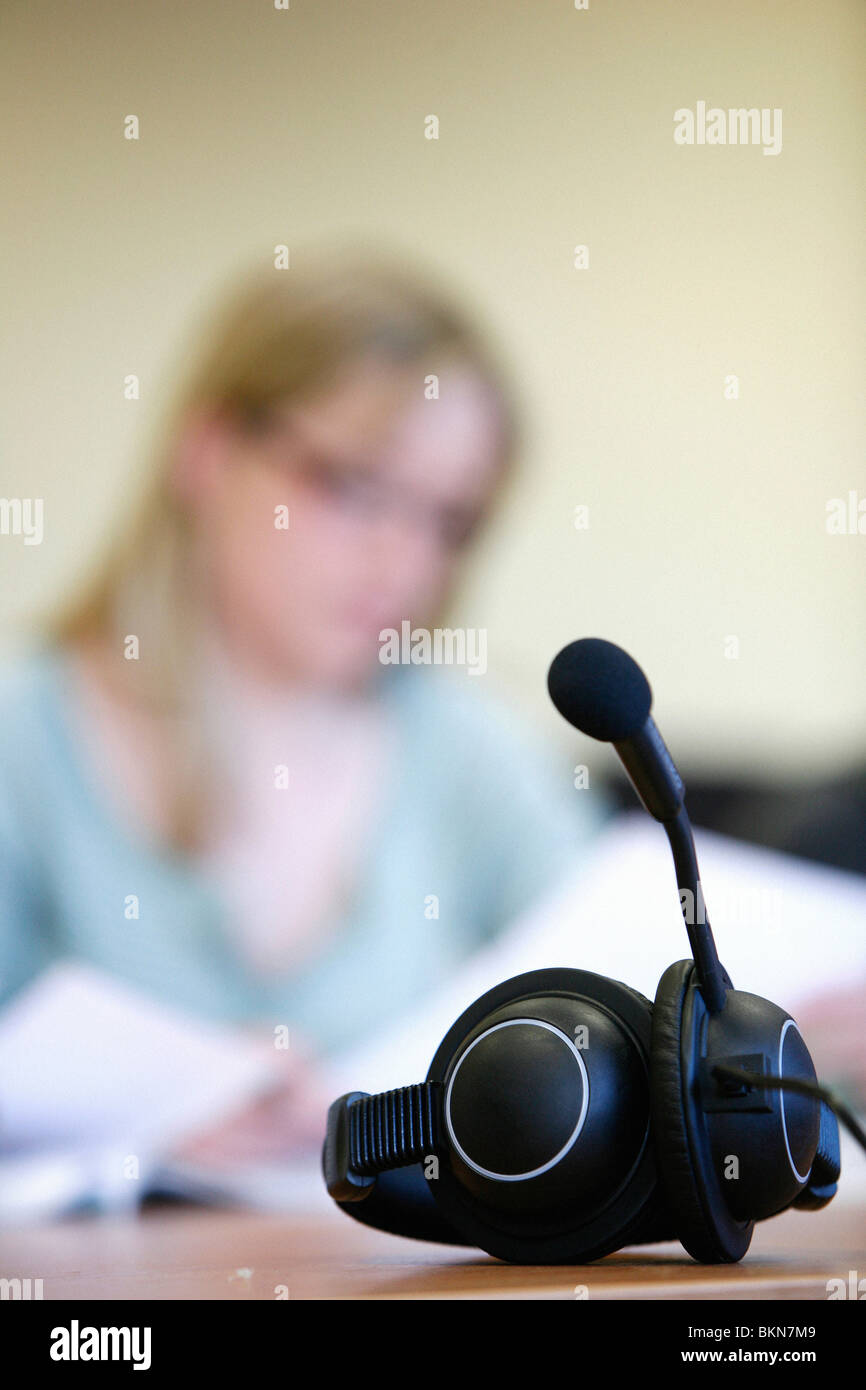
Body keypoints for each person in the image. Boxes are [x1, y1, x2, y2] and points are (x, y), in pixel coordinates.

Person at [0, 248, 607, 1164]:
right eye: (355, 490)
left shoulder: (470, 748)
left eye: (448, 522)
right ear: (207, 453)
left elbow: (616, 991)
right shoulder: (24, 740)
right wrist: (141, 1131)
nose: (404, 564)